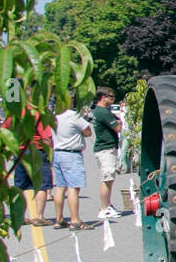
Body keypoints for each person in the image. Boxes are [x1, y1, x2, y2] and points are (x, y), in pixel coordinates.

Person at [8, 108, 54, 226]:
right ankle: (39, 216)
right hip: (36, 150)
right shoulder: (37, 113)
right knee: (41, 185)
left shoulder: (14, 112)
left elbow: (6, 129)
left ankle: (21, 217)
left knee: (19, 186)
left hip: (19, 151)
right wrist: (50, 154)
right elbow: (46, 137)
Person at [52, 103, 93, 230]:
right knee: (73, 188)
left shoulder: (55, 116)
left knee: (60, 187)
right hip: (71, 153)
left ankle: (59, 219)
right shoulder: (73, 116)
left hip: (57, 152)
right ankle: (75, 219)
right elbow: (88, 132)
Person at [91, 87, 124, 219]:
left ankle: (108, 205)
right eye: (111, 96)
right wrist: (120, 121)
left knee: (109, 178)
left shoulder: (99, 111)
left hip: (103, 148)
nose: (113, 98)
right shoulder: (103, 112)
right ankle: (104, 208)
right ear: (103, 97)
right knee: (107, 179)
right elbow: (117, 128)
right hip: (106, 148)